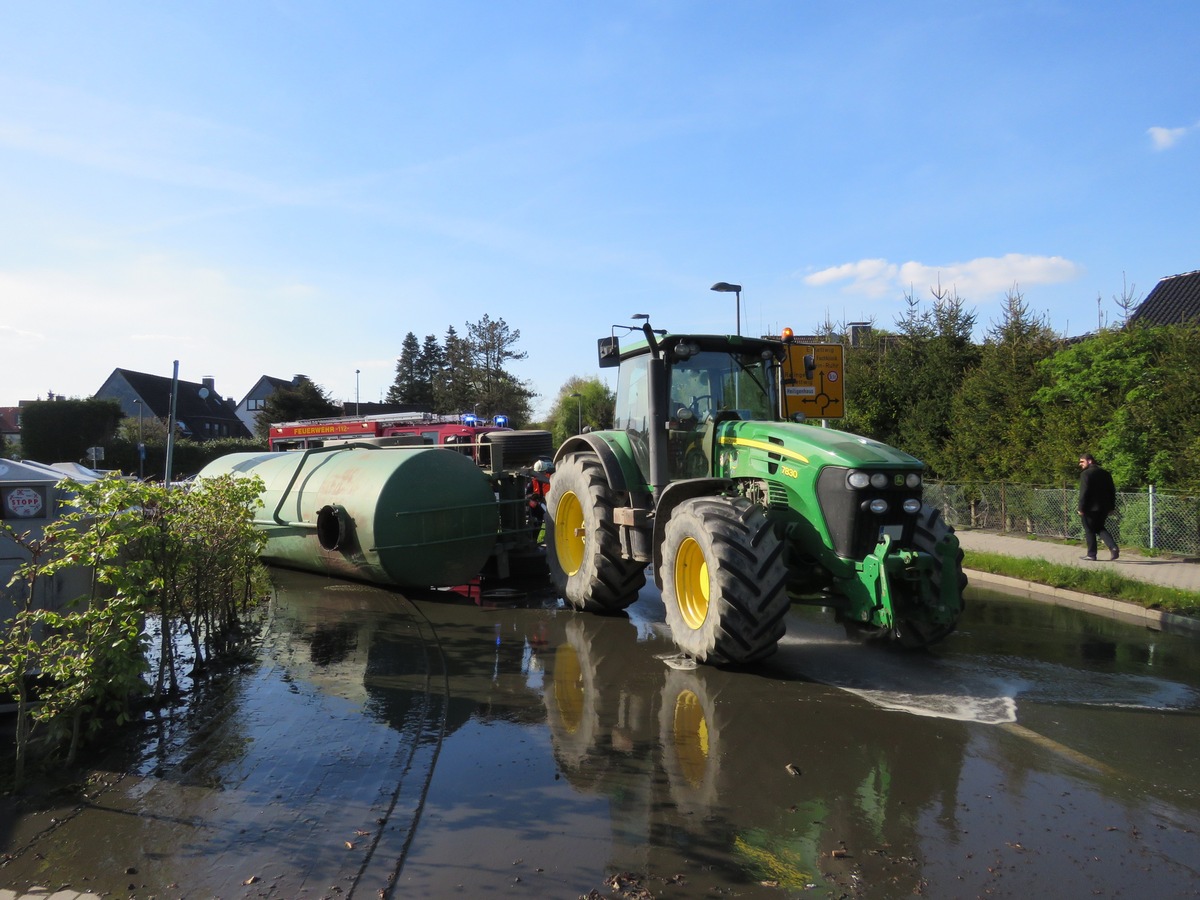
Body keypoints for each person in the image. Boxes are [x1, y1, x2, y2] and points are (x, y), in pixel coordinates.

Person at [1077, 453, 1119, 561]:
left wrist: (1081, 508)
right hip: (1104, 507)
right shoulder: (1105, 473)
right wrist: (1111, 506)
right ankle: (1113, 547)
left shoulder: (1086, 474)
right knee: (1099, 527)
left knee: (1089, 529)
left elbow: (1084, 492)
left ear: (1090, 461)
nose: (1080, 464)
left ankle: (1091, 554)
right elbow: (1112, 491)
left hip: (1089, 508)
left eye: (1082, 461)